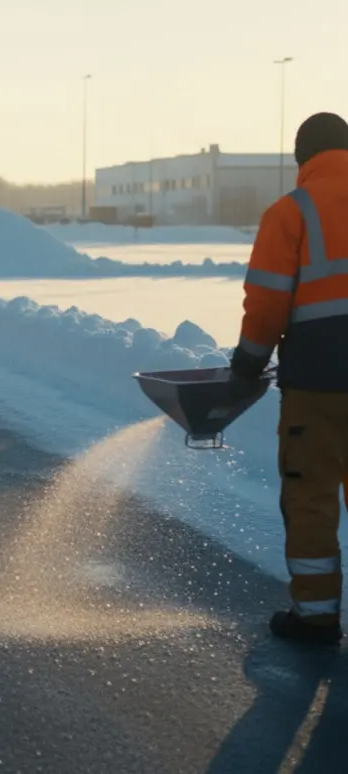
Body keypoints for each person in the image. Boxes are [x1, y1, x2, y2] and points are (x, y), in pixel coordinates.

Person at [230, 112, 348, 645]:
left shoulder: (292, 211)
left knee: (312, 497)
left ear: (303, 160)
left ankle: (317, 615)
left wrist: (248, 363)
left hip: (319, 385)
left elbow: (269, 301)